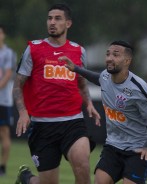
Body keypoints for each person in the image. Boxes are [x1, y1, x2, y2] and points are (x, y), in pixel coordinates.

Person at [13, 3, 101, 184]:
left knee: (82, 163)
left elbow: (82, 85)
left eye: (57, 18)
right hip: (42, 126)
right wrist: (23, 112)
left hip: (73, 122)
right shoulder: (34, 49)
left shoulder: (79, 51)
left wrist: (89, 104)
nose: (52, 22)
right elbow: (18, 85)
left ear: (68, 23)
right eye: (49, 18)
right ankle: (26, 178)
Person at [59, 40, 147, 184]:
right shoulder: (105, 76)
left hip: (137, 150)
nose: (109, 58)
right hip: (113, 146)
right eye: (108, 54)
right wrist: (75, 68)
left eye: (115, 55)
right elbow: (97, 78)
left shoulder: (139, 88)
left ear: (127, 61)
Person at [0, 24, 16, 176]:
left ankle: (2, 167)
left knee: (4, 133)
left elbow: (7, 75)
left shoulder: (8, 53)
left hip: (3, 101)